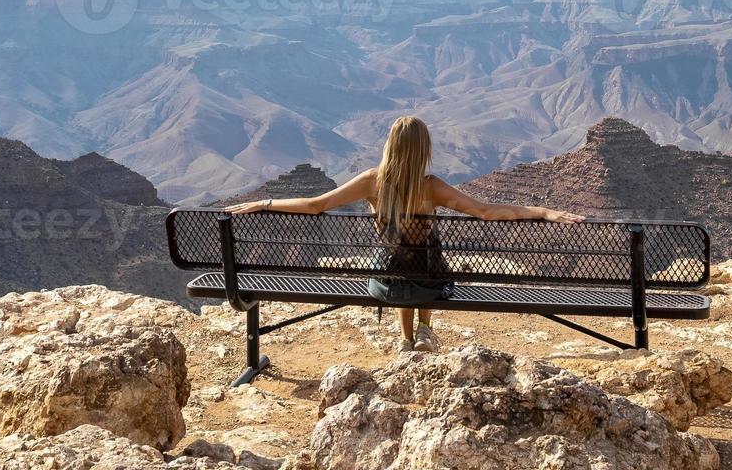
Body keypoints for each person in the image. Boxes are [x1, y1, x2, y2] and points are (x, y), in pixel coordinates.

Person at [226, 116, 582, 352]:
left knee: (393, 260)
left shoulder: (370, 181)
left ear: (390, 146)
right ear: (422, 149)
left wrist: (267, 201)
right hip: (431, 283)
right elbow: (486, 212)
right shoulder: (432, 187)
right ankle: (425, 331)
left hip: (385, 284)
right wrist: (543, 211)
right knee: (425, 258)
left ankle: (405, 339)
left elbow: (316, 205)